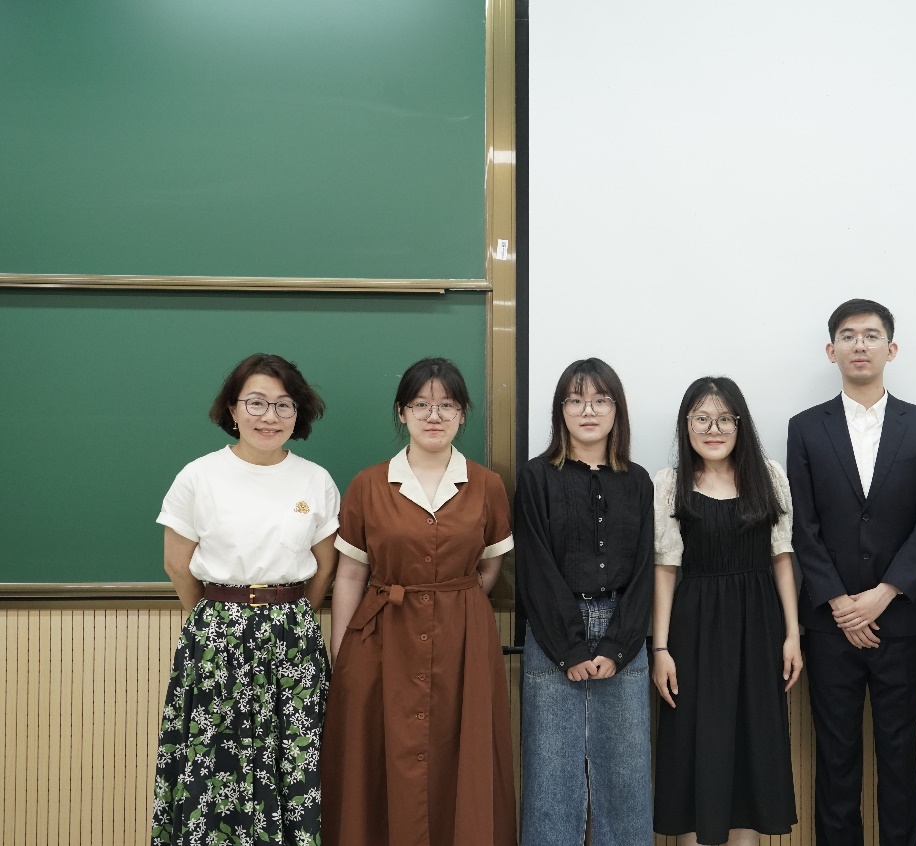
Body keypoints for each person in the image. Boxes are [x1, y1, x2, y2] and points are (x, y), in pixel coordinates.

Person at [321, 358, 515, 846]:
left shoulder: (487, 485)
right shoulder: (368, 484)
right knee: (382, 758)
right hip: (381, 639)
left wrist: (454, 603)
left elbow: (490, 566)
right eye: (421, 404)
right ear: (402, 412)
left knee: (459, 756)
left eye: (446, 405)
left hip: (463, 642)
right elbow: (350, 573)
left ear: (463, 414)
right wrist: (343, 653)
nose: (434, 415)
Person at [151, 353, 340, 846]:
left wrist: (292, 614)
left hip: (293, 637)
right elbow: (176, 563)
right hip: (217, 636)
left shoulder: (315, 480)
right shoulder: (199, 476)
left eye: (283, 405)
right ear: (233, 410)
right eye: (256, 402)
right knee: (217, 762)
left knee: (294, 759)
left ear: (298, 414)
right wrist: (214, 617)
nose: (269, 416)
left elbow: (325, 566)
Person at [786, 298, 916, 846]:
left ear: (890, 349)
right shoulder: (805, 427)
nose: (860, 345)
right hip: (830, 627)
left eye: (871, 335)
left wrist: (885, 593)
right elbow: (803, 525)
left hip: (901, 622)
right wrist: (839, 603)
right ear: (831, 350)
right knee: (836, 758)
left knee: (899, 755)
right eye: (848, 336)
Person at [651, 376, 802, 846]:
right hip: (694, 632)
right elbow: (665, 571)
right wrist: (660, 649)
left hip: (758, 630)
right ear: (686, 425)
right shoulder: (670, 484)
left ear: (740, 424)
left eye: (723, 419)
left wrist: (793, 634)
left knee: (751, 752)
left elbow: (782, 559)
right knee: (697, 750)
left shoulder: (768, 477)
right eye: (701, 418)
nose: (713, 429)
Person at [515, 358, 655, 846]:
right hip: (553, 635)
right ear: (560, 410)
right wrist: (569, 648)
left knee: (627, 778)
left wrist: (618, 646)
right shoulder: (536, 477)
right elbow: (535, 567)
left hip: (624, 634)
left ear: (617, 410)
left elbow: (644, 570)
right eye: (575, 400)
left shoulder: (638, 481)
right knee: (551, 778)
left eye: (599, 400)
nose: (588, 411)